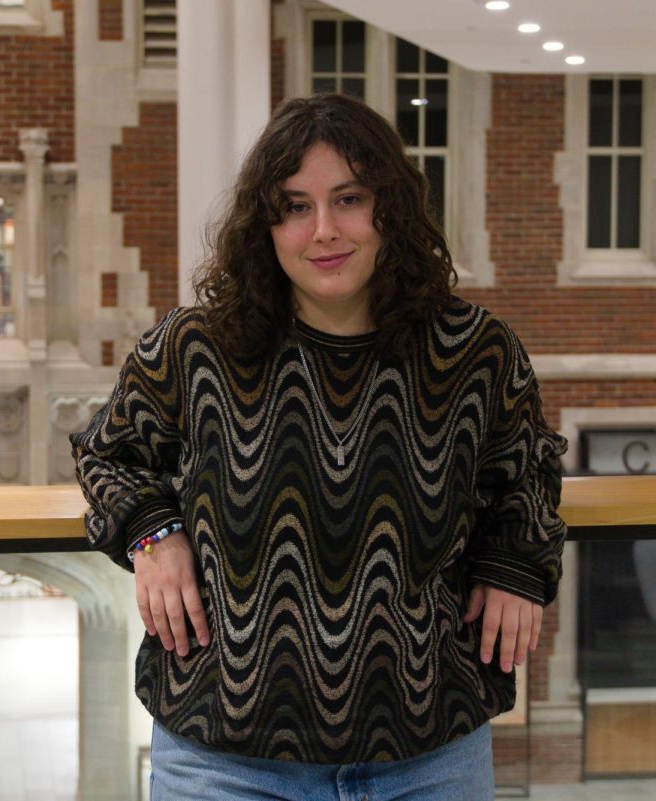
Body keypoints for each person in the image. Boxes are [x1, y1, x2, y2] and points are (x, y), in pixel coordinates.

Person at [70, 92, 568, 800]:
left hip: (430, 756)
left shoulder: (474, 351)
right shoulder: (196, 346)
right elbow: (106, 452)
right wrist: (154, 531)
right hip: (224, 756)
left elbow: (530, 472)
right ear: (265, 223)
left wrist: (515, 561)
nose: (324, 230)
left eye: (349, 199)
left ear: (389, 207)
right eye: (296, 205)